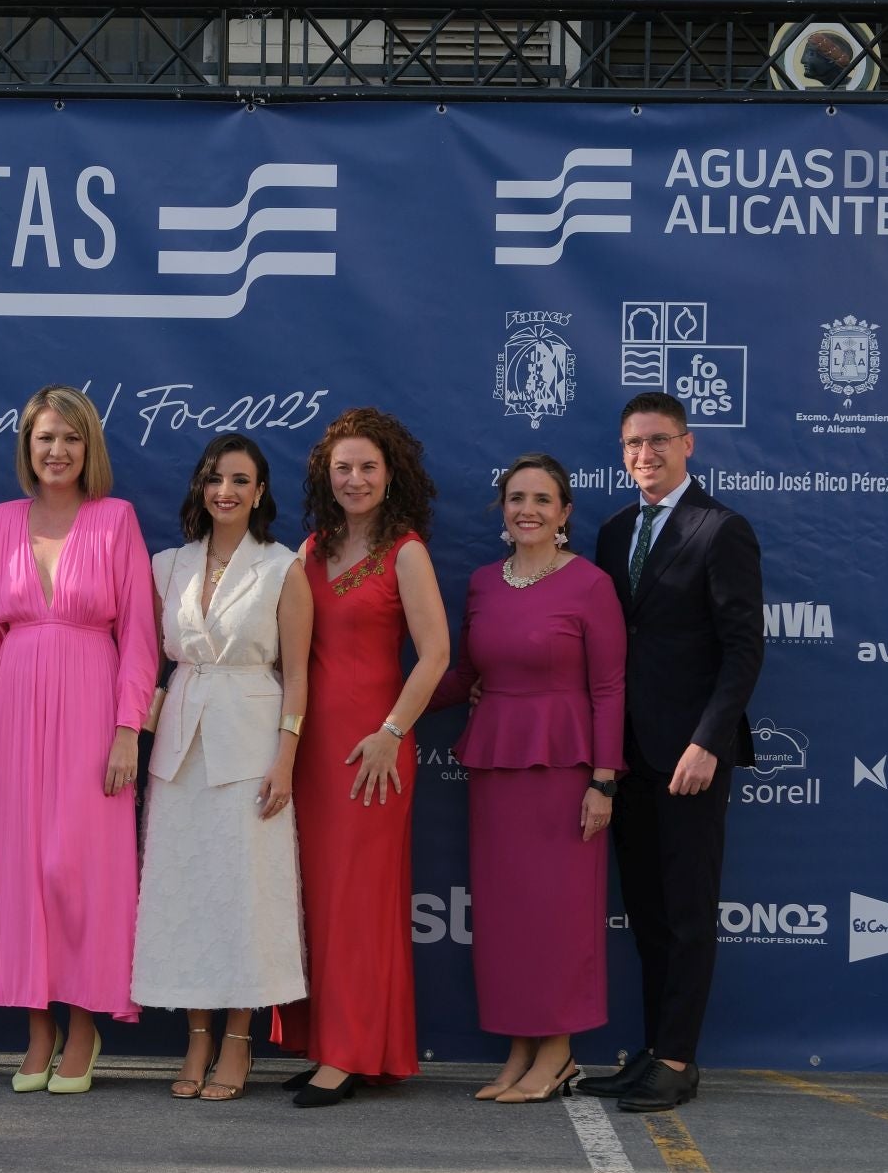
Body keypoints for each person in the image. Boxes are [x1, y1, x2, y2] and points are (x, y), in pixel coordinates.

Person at [0, 384, 157, 1095]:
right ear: (27, 445)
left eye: (70, 438)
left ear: (89, 448)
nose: (57, 450)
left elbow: (139, 635)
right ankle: (36, 1029)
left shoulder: (116, 520)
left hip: (91, 709)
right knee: (20, 872)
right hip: (12, 713)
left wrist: (127, 730)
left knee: (74, 871)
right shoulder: (1, 521)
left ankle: (83, 1026)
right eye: (45, 437)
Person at [579, 392, 762, 1113]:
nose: (644, 455)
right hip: (625, 757)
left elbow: (744, 649)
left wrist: (708, 741)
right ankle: (653, 1053)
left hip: (690, 758)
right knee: (649, 915)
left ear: (689, 445)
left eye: (658, 441)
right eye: (632, 444)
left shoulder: (722, 530)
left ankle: (680, 1060)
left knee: (687, 915)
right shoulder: (616, 529)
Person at [430, 453, 626, 1104]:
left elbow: (608, 688)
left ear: (565, 513)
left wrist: (603, 782)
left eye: (542, 499)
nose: (528, 510)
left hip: (567, 774)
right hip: (497, 771)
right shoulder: (484, 582)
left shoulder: (590, 585)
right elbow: (464, 676)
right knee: (509, 916)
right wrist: (388, 704)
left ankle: (559, 1052)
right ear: (502, 510)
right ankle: (519, 1047)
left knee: (559, 917)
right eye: (516, 498)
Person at [275, 406, 449, 1108]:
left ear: (391, 473)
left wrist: (392, 732)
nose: (355, 479)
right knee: (315, 897)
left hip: (373, 751)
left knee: (358, 902)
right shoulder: (310, 550)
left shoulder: (407, 550)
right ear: (326, 474)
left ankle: (351, 1053)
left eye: (367, 467)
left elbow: (436, 654)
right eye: (342, 467)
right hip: (311, 748)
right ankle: (327, 1042)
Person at [132, 435, 310, 1102]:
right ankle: (196, 1034)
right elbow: (146, 665)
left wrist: (286, 757)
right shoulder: (166, 566)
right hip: (179, 745)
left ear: (260, 492)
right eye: (214, 479)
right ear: (199, 487)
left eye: (240, 480)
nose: (225, 491)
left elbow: (297, 676)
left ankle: (238, 1038)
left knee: (244, 894)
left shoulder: (282, 567)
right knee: (185, 892)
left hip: (252, 738)